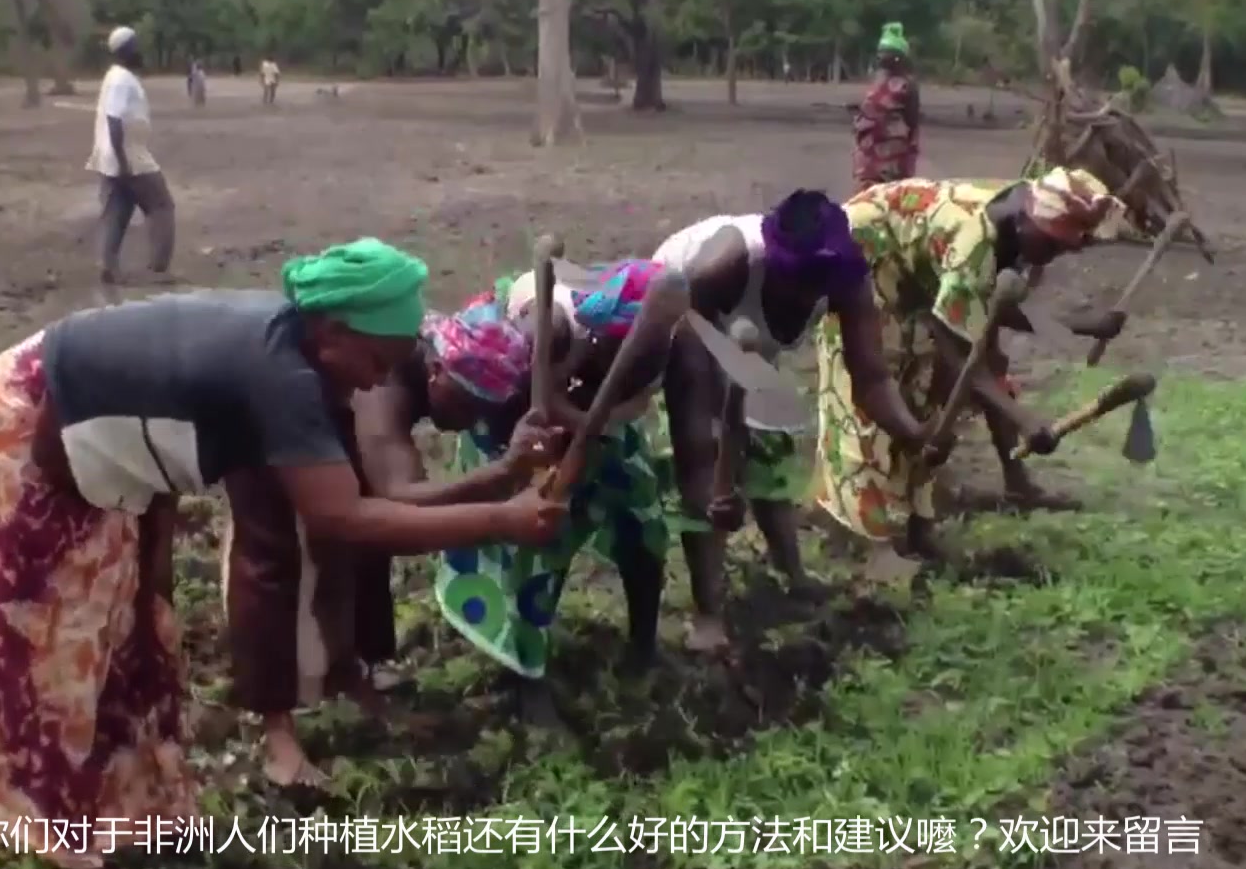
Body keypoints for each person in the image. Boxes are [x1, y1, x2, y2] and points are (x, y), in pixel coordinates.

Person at [0, 236, 566, 869]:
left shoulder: (307, 365)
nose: (378, 382)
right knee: (42, 653)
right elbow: (345, 520)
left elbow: (357, 508)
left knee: (128, 636)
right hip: (21, 430)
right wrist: (502, 519)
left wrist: (501, 481)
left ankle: (135, 813)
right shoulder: (280, 375)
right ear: (333, 329)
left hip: (103, 460)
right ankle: (66, 854)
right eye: (376, 361)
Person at [235, 302, 558, 785]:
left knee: (364, 554)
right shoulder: (383, 390)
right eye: (468, 403)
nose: (472, 419)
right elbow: (397, 499)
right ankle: (278, 732)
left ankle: (353, 675)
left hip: (322, 443)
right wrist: (501, 484)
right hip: (266, 438)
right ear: (437, 373)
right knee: (282, 566)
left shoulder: (428, 360)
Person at [653, 191, 934, 651]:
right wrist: (718, 477)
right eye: (797, 278)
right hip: (683, 324)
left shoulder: (847, 278)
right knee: (707, 467)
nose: (807, 290)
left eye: (818, 280)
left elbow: (872, 377)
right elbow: (695, 420)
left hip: (748, 344)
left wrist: (913, 433)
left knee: (770, 447)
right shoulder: (723, 267)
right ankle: (707, 613)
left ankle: (792, 572)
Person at [814, 169, 1129, 564]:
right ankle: (867, 539)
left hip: (920, 268)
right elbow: (960, 352)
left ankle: (916, 525)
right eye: (1052, 246)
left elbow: (992, 308)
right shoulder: (975, 242)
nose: (1054, 256)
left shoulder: (1017, 216)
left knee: (929, 407)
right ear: (1028, 222)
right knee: (867, 393)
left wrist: (1082, 325)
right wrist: (1024, 418)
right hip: (863, 253)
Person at [432, 261, 679, 719]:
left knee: (642, 521)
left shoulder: (660, 344)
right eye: (616, 353)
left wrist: (588, 429)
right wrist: (553, 454)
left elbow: (629, 404)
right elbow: (517, 411)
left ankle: (643, 644)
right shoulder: (547, 329)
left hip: (598, 426)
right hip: (512, 420)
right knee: (535, 540)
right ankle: (527, 671)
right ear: (601, 337)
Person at [87, 26, 176, 289]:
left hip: (113, 155)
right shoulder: (121, 79)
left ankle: (108, 266)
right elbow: (114, 120)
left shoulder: (115, 76)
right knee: (162, 206)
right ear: (128, 50)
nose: (141, 50)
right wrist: (124, 162)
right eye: (136, 45)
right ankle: (158, 268)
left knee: (117, 210)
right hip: (129, 155)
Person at [853, 22, 922, 190]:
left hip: (872, 155)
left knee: (870, 195)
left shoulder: (876, 81)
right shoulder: (906, 83)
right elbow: (913, 118)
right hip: (884, 156)